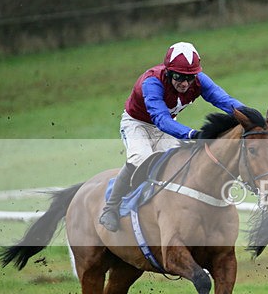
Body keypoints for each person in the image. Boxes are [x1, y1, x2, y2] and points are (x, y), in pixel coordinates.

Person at [98, 41, 246, 232]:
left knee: (179, 163)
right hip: (137, 124)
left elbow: (224, 100)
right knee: (140, 158)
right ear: (168, 72)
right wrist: (191, 134)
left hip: (165, 126)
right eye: (179, 76)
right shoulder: (151, 82)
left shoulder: (199, 80)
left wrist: (250, 116)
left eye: (190, 78)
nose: (185, 83)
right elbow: (160, 118)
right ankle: (110, 208)